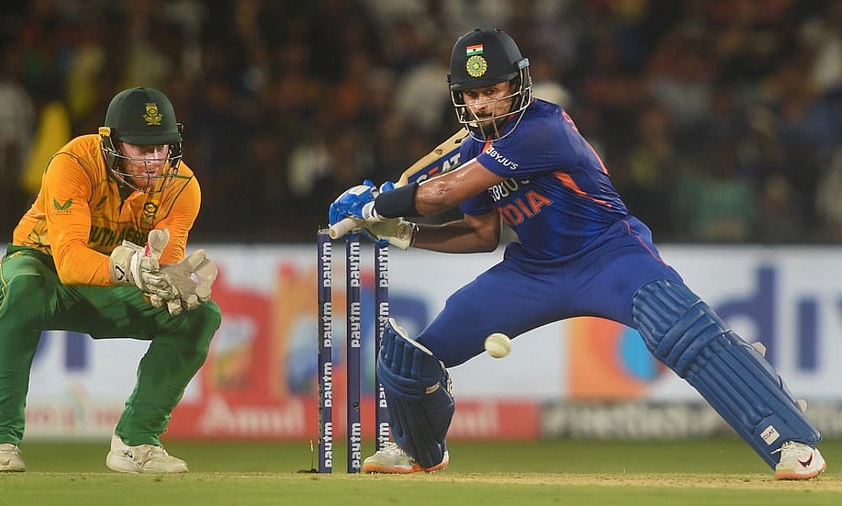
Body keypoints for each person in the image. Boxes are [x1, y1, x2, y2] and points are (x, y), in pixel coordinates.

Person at [328, 28, 826, 480]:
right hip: (535, 270)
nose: (483, 104)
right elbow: (481, 234)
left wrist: (377, 203)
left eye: (492, 90)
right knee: (414, 358)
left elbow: (442, 192)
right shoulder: (474, 152)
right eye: (473, 95)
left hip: (609, 253)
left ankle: (789, 440)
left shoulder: (543, 127)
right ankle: (417, 449)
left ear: (517, 85)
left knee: (680, 332)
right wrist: (404, 233)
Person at [0, 87, 221, 474]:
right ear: (112, 143)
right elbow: (69, 261)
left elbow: (163, 263)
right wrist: (132, 268)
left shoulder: (183, 187)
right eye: (141, 148)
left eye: (162, 148)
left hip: (115, 283)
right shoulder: (73, 162)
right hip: (43, 265)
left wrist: (169, 280)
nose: (154, 161)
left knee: (200, 315)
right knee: (23, 291)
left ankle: (137, 442)